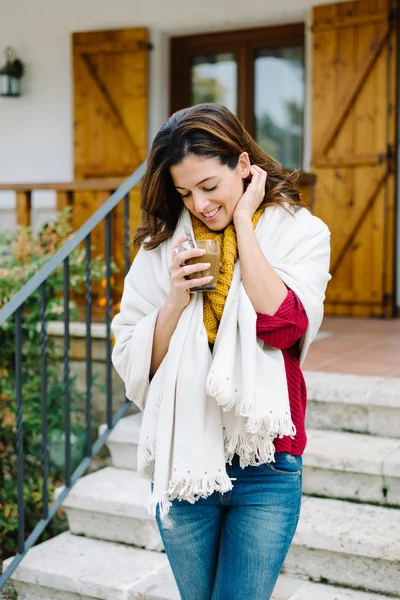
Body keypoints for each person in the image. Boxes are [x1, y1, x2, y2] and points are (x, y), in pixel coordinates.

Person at [111, 103, 331, 600]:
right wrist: (174, 300)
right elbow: (134, 361)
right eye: (185, 192)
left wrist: (245, 225)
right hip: (186, 456)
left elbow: (284, 327)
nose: (199, 205)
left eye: (210, 186)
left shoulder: (299, 232)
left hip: (267, 463)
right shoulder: (160, 250)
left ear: (244, 165)